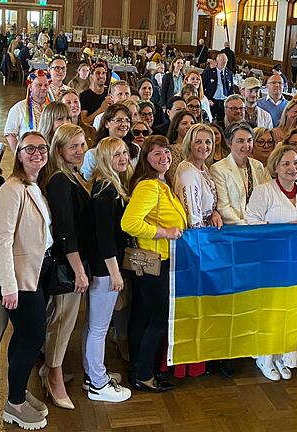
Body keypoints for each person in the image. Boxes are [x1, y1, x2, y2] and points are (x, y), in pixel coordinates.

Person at [0, 131, 52, 430]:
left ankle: (18, 392)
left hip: (33, 273)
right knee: (32, 338)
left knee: (24, 338)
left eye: (42, 148)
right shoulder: (11, 189)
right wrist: (9, 285)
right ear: (19, 153)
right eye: (30, 149)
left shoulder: (32, 184)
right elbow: (2, 241)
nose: (37, 153)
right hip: (19, 281)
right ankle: (14, 405)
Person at [122, 135, 187, 392]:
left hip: (155, 262)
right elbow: (129, 223)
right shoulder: (149, 186)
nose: (164, 158)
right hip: (153, 261)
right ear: (146, 158)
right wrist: (164, 231)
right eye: (157, 154)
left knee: (144, 316)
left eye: (167, 153)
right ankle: (145, 374)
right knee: (158, 319)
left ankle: (139, 368)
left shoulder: (162, 184)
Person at [36, 124, 93, 410]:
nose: (80, 150)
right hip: (67, 263)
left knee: (63, 320)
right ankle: (53, 375)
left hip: (74, 259)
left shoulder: (71, 174)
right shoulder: (59, 180)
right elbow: (65, 231)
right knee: (61, 321)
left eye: (82, 145)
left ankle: (51, 367)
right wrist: (79, 270)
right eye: (73, 146)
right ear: (59, 150)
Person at [245, 143, 297, 380]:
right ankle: (266, 357)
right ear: (275, 167)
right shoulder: (264, 191)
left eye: (295, 163)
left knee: (292, 310)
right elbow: (250, 222)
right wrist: (282, 230)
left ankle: (286, 356)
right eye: (286, 163)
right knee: (271, 310)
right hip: (271, 260)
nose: (292, 167)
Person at [87, 136, 134, 402]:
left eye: (124, 152)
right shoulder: (106, 189)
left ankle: (93, 373)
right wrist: (115, 273)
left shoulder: (111, 184)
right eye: (116, 154)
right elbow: (105, 238)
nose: (122, 158)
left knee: (96, 326)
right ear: (105, 158)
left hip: (104, 266)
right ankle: (98, 383)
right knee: (99, 328)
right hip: (105, 268)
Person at [211, 122, 269, 225]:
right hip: (235, 228)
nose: (246, 145)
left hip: (259, 225)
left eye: (249, 140)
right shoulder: (218, 169)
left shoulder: (258, 166)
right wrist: (244, 225)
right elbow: (223, 207)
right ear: (229, 143)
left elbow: (264, 198)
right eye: (240, 141)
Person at [174, 123, 222, 229]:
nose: (204, 147)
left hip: (208, 229)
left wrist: (214, 213)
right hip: (199, 236)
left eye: (208, 142)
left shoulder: (203, 167)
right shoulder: (188, 173)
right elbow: (193, 220)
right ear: (189, 144)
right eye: (198, 142)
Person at [81, 104, 132, 181]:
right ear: (106, 123)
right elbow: (87, 184)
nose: (124, 124)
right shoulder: (93, 154)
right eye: (118, 120)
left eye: (127, 120)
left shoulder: (135, 149)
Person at [4, 70, 52, 151]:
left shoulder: (52, 107)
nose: (43, 88)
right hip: (29, 153)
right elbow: (10, 134)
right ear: (30, 87)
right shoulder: (18, 108)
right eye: (39, 85)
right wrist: (19, 155)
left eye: (46, 85)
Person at [165, 109, 197, 182]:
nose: (189, 126)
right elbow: (173, 176)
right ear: (176, 127)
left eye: (192, 123)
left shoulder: (198, 148)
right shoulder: (171, 149)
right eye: (184, 123)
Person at [202, 53, 235, 123]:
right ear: (217, 61)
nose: (224, 62)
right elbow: (202, 87)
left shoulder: (229, 73)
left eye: (226, 60)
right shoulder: (209, 72)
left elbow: (231, 89)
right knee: (210, 121)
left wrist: (231, 101)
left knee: (223, 122)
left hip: (224, 101)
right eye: (222, 60)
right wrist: (207, 99)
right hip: (212, 101)